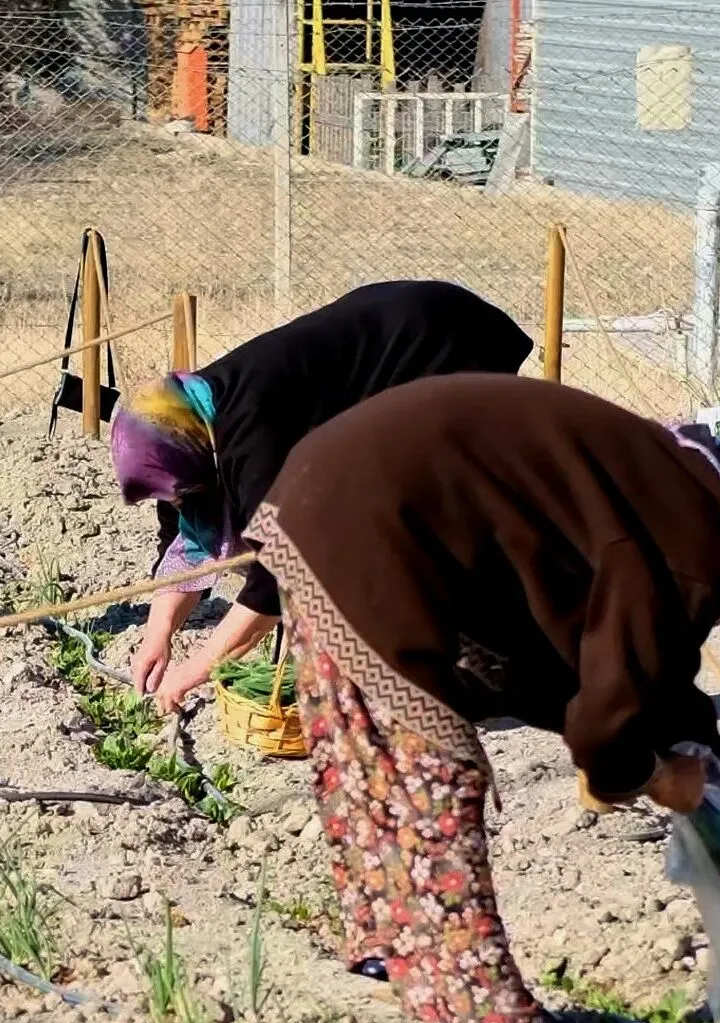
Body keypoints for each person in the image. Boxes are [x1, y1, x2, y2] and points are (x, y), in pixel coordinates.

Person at [243, 374, 720, 1023]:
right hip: (372, 522)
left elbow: (627, 671)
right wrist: (649, 776)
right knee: (433, 773)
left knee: (370, 761)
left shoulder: (681, 491)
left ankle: (396, 956)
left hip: (325, 496)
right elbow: (609, 711)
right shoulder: (695, 542)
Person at [110, 281, 534, 712]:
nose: (178, 503)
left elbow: (279, 576)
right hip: (387, 340)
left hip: (438, 344)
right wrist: (157, 633)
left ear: (196, 458)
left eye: (179, 493)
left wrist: (195, 670)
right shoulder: (184, 426)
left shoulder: (251, 439)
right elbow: (184, 545)